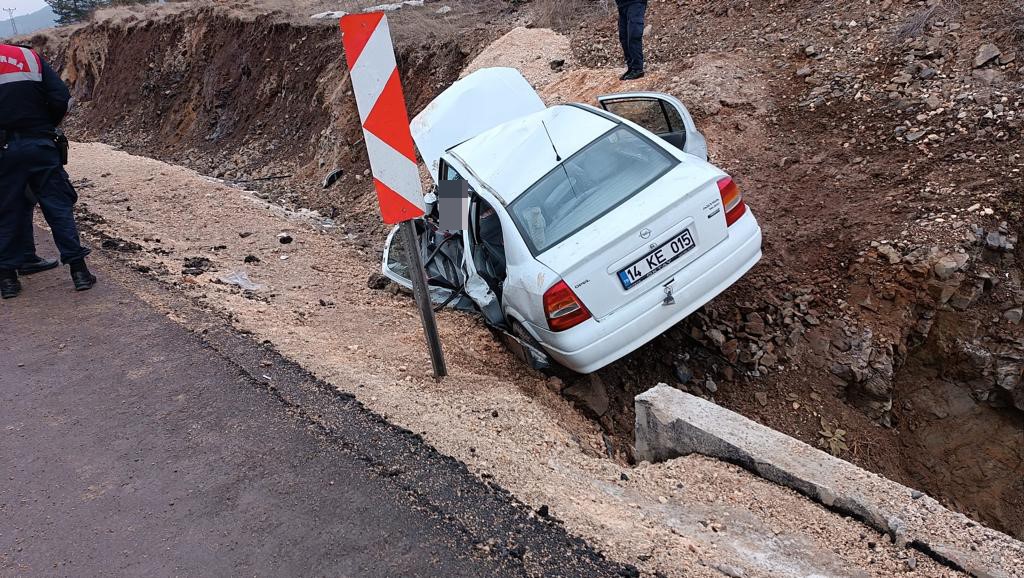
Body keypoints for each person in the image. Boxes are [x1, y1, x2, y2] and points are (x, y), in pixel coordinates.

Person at [0, 43, 95, 299]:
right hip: (39, 143)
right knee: (57, 205)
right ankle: (79, 272)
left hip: (3, 152)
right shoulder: (27, 56)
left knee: (7, 209)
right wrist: (43, 126)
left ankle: (8, 280)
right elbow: (60, 98)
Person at [616, 0, 648, 81]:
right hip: (622, 5)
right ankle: (631, 68)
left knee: (633, 34)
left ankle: (637, 69)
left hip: (636, 3)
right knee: (624, 37)